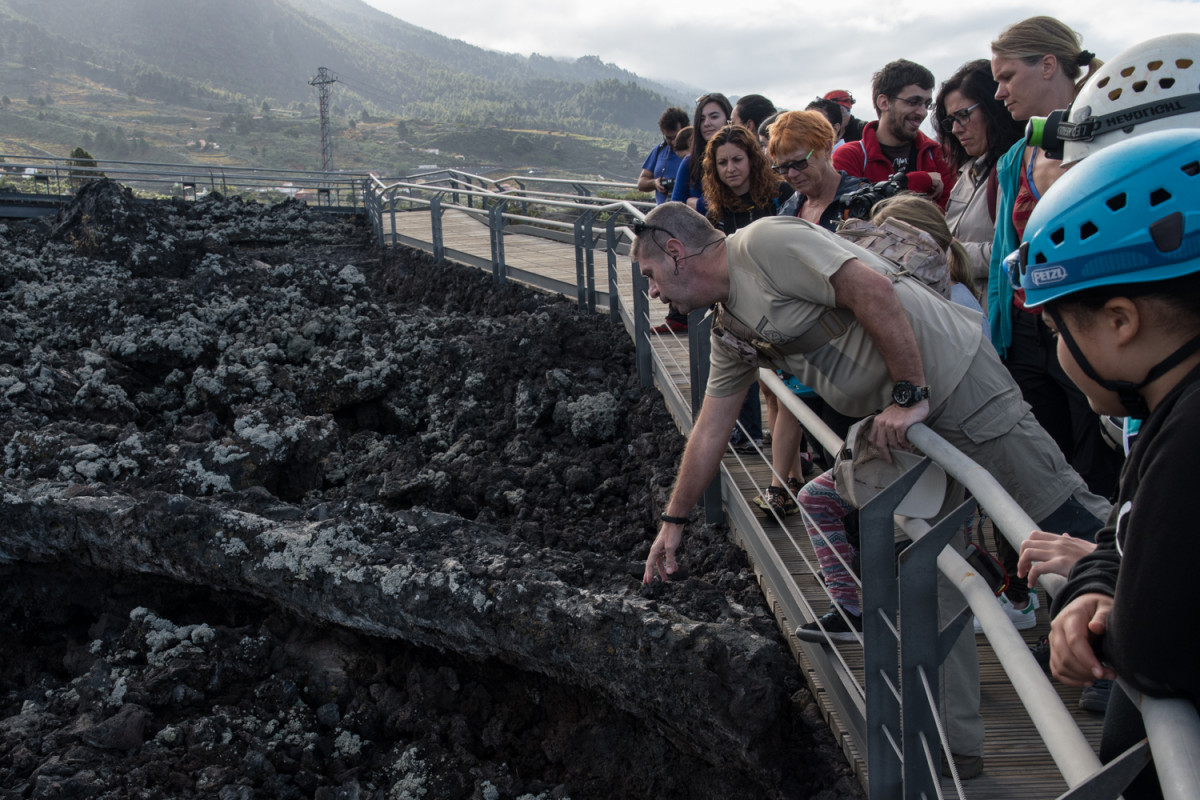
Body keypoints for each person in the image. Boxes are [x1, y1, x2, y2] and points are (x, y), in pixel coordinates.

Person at [634, 202, 1110, 777]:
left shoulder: (763, 244)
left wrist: (910, 394)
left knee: (1059, 515)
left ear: (677, 253)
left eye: (649, 275)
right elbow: (711, 427)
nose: (653, 292)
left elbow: (873, 290)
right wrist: (674, 522)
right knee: (929, 572)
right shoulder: (730, 326)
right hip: (901, 421)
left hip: (956, 382)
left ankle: (1139, 636)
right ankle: (954, 743)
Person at [1012, 129, 1200, 799]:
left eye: (1060, 329)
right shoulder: (1169, 409)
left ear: (1121, 319)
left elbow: (1158, 642)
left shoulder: (1188, 431)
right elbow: (1131, 539)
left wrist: (1107, 616)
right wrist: (1098, 582)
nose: (1059, 350)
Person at [988, 17, 1123, 508]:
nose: (998, 92)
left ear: (1048, 66)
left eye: (1006, 77)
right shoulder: (1017, 156)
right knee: (1041, 463)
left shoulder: (1113, 136)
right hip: (1030, 329)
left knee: (1098, 465)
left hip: (1093, 324)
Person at [701, 124, 794, 454]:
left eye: (737, 159)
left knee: (785, 388)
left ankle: (796, 456)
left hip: (784, 305)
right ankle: (767, 445)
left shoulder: (781, 196)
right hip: (741, 308)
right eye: (722, 163)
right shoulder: (716, 208)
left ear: (753, 159)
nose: (730, 169)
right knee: (763, 385)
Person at [934, 59, 1024, 285]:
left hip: (996, 311)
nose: (955, 129)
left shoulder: (1016, 170)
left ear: (994, 109)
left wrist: (943, 255)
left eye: (963, 115)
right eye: (950, 121)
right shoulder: (967, 174)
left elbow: (1017, 253)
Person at [832, 60, 955, 209]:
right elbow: (852, 212)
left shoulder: (939, 155)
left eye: (926, 104)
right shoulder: (850, 156)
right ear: (884, 103)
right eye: (913, 102)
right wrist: (915, 182)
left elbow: (947, 218)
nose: (922, 112)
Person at [660, 93, 732, 335]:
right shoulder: (690, 162)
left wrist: (699, 204)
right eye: (702, 118)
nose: (707, 123)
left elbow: (734, 201)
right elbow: (675, 208)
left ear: (728, 119)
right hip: (700, 251)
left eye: (714, 116)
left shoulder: (740, 160)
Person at [637, 107, 690, 205]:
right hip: (662, 217)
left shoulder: (698, 152)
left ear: (687, 127)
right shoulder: (659, 150)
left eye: (676, 136)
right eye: (668, 138)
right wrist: (655, 183)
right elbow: (641, 183)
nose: (673, 142)